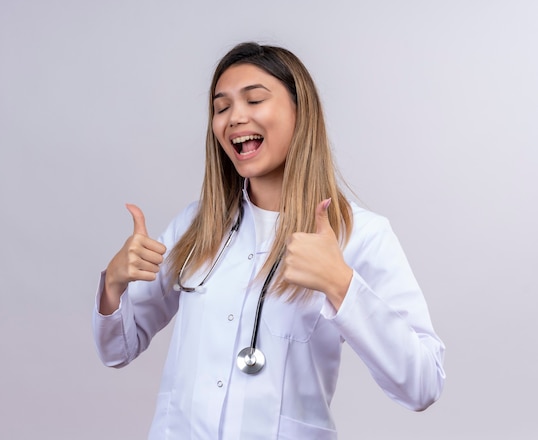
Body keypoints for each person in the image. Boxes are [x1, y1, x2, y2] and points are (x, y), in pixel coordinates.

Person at [92, 42, 445, 439]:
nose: (234, 117)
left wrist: (340, 284)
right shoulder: (195, 226)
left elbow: (422, 385)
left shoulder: (360, 235)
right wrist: (113, 285)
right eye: (221, 107)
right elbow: (116, 350)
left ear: (300, 111)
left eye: (254, 99)